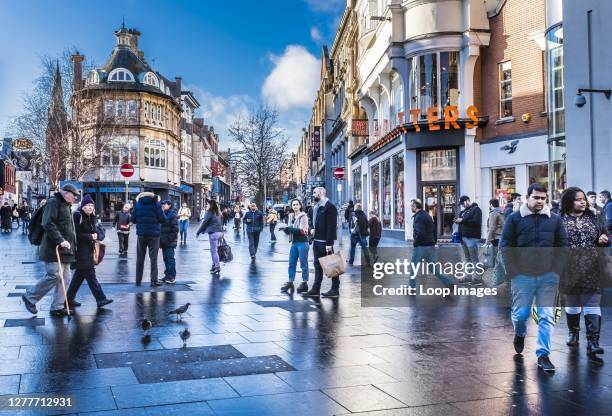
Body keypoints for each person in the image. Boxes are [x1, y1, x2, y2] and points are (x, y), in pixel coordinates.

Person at [500, 183, 569, 372]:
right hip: (522, 276)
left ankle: (543, 355)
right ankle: (520, 333)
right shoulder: (514, 219)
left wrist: (556, 271)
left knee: (546, 316)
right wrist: (513, 271)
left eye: (543, 198)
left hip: (548, 277)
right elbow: (505, 246)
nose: (539, 201)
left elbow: (563, 246)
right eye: (536, 197)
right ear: (527, 198)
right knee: (520, 315)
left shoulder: (554, 219)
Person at [559, 187, 608, 364]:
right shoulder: (560, 219)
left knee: (592, 302)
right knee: (572, 302)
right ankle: (573, 333)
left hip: (592, 267)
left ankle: (593, 342)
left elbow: (605, 234)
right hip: (568, 268)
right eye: (578, 199)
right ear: (568, 201)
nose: (583, 202)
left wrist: (604, 238)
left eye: (584, 199)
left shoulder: (595, 217)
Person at [21, 184, 79, 317]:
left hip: (66, 250)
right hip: (53, 249)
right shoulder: (53, 202)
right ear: (66, 193)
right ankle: (30, 297)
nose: (75, 198)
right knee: (54, 275)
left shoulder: (67, 205)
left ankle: (57, 307)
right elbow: (47, 223)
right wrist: (60, 240)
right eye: (74, 195)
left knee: (65, 278)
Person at [65, 194, 113, 308]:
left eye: (92, 205)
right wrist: (90, 236)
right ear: (82, 206)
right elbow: (75, 235)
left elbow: (99, 233)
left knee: (78, 277)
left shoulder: (92, 218)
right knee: (91, 276)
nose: (90, 207)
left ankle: (68, 299)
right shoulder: (77, 216)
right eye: (87, 205)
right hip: (80, 252)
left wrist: (97, 235)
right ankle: (101, 299)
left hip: (88, 251)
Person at [409, 199, 454, 289]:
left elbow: (420, 233)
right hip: (430, 245)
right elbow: (434, 230)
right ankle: (448, 283)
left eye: (411, 206)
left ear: (415, 206)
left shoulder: (418, 217)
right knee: (434, 267)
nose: (410, 207)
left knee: (413, 267)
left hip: (421, 246)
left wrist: (415, 243)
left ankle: (411, 287)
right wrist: (434, 241)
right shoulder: (427, 215)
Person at [303, 187, 339, 298]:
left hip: (325, 242)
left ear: (321, 193)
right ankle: (315, 289)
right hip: (317, 241)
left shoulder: (329, 206)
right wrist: (312, 229)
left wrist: (329, 243)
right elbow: (313, 222)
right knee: (317, 265)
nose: (313, 195)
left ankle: (335, 290)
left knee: (332, 266)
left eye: (315, 193)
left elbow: (331, 226)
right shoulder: (316, 207)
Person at [132, 191, 164, 287]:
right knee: (153, 258)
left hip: (141, 234)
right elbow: (162, 219)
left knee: (140, 258)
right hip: (154, 235)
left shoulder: (138, 205)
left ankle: (138, 281)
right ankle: (153, 281)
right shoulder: (156, 204)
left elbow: (133, 219)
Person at [280, 198, 310, 293]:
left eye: (297, 204)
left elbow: (302, 231)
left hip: (302, 242)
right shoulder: (291, 216)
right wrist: (285, 229)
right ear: (292, 206)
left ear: (300, 206)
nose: (295, 206)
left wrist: (288, 229)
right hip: (294, 243)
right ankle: (290, 281)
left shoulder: (303, 216)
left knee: (303, 264)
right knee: (291, 263)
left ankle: (304, 283)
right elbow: (290, 230)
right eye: (293, 205)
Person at [454, 195, 482, 284]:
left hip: (471, 237)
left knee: (474, 258)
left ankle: (477, 278)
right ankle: (468, 276)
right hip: (463, 237)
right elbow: (462, 223)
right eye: (461, 204)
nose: (462, 205)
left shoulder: (476, 209)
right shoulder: (463, 212)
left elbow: (476, 222)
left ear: (467, 201)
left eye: (463, 203)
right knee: (467, 258)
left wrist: (462, 221)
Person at [196, 199, 224, 273]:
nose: (206, 205)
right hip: (220, 233)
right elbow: (221, 222)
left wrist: (198, 232)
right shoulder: (218, 212)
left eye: (207, 204)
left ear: (210, 205)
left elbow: (205, 222)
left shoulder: (209, 212)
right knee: (215, 250)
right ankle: (214, 265)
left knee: (213, 251)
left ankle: (217, 267)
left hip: (213, 233)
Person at [160, 200, 179, 284]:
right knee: (166, 259)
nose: (163, 205)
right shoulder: (163, 213)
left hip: (169, 241)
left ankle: (172, 277)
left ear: (169, 205)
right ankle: (167, 275)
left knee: (170, 259)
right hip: (164, 241)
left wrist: (169, 239)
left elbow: (175, 230)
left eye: (165, 204)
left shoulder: (172, 215)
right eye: (162, 204)